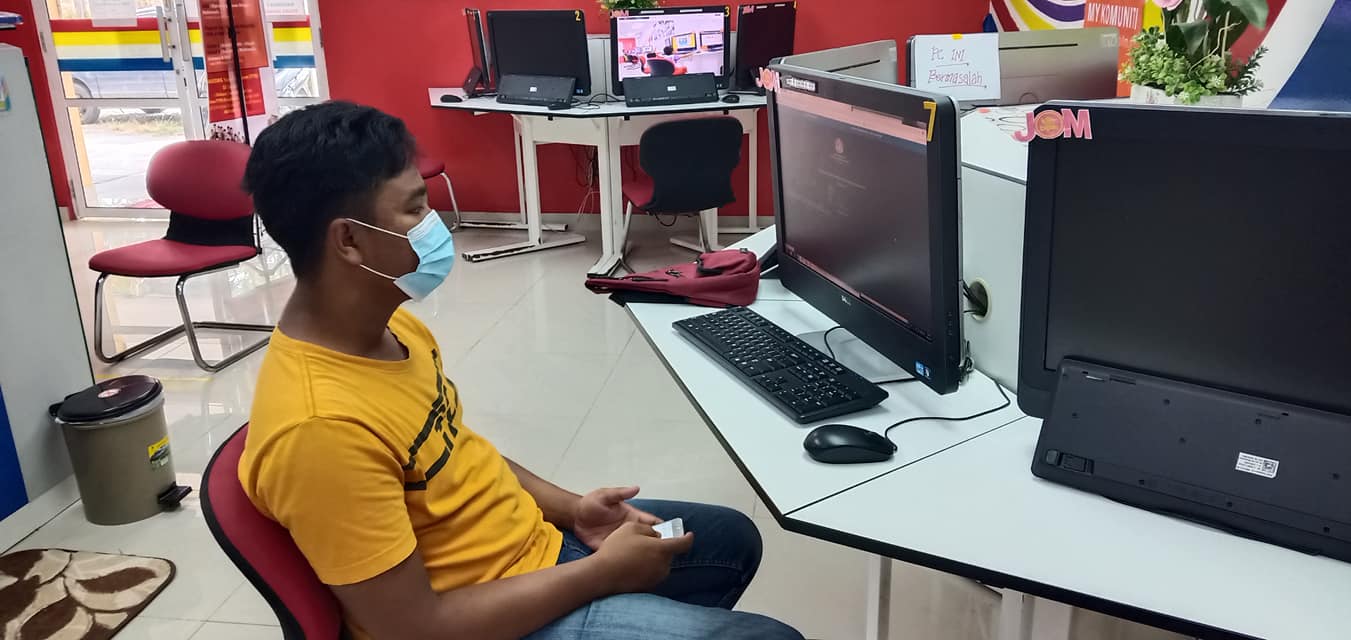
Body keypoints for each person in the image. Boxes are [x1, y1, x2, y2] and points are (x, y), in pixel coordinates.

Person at [238, 101, 803, 640]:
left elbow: (456, 454)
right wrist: (601, 575)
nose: (436, 226)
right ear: (349, 240)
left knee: (730, 540)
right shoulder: (320, 431)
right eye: (414, 209)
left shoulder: (391, 328)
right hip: (477, 618)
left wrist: (573, 510)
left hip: (530, 551)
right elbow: (416, 628)